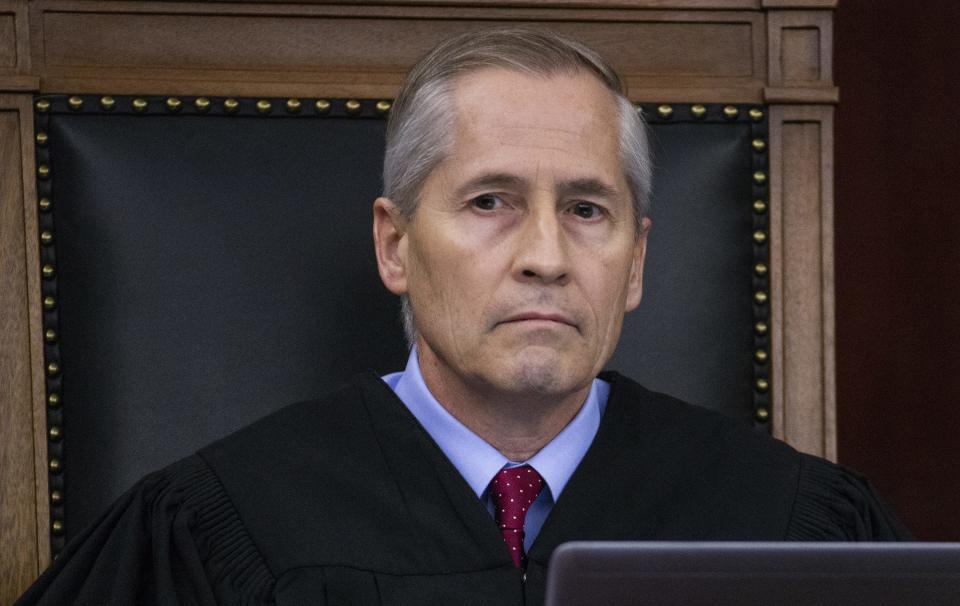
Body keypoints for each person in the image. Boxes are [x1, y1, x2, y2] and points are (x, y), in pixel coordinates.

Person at [17, 27, 908, 606]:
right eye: (491, 202)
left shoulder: (789, 525)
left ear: (635, 262)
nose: (547, 256)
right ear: (395, 244)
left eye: (588, 210)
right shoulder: (217, 532)